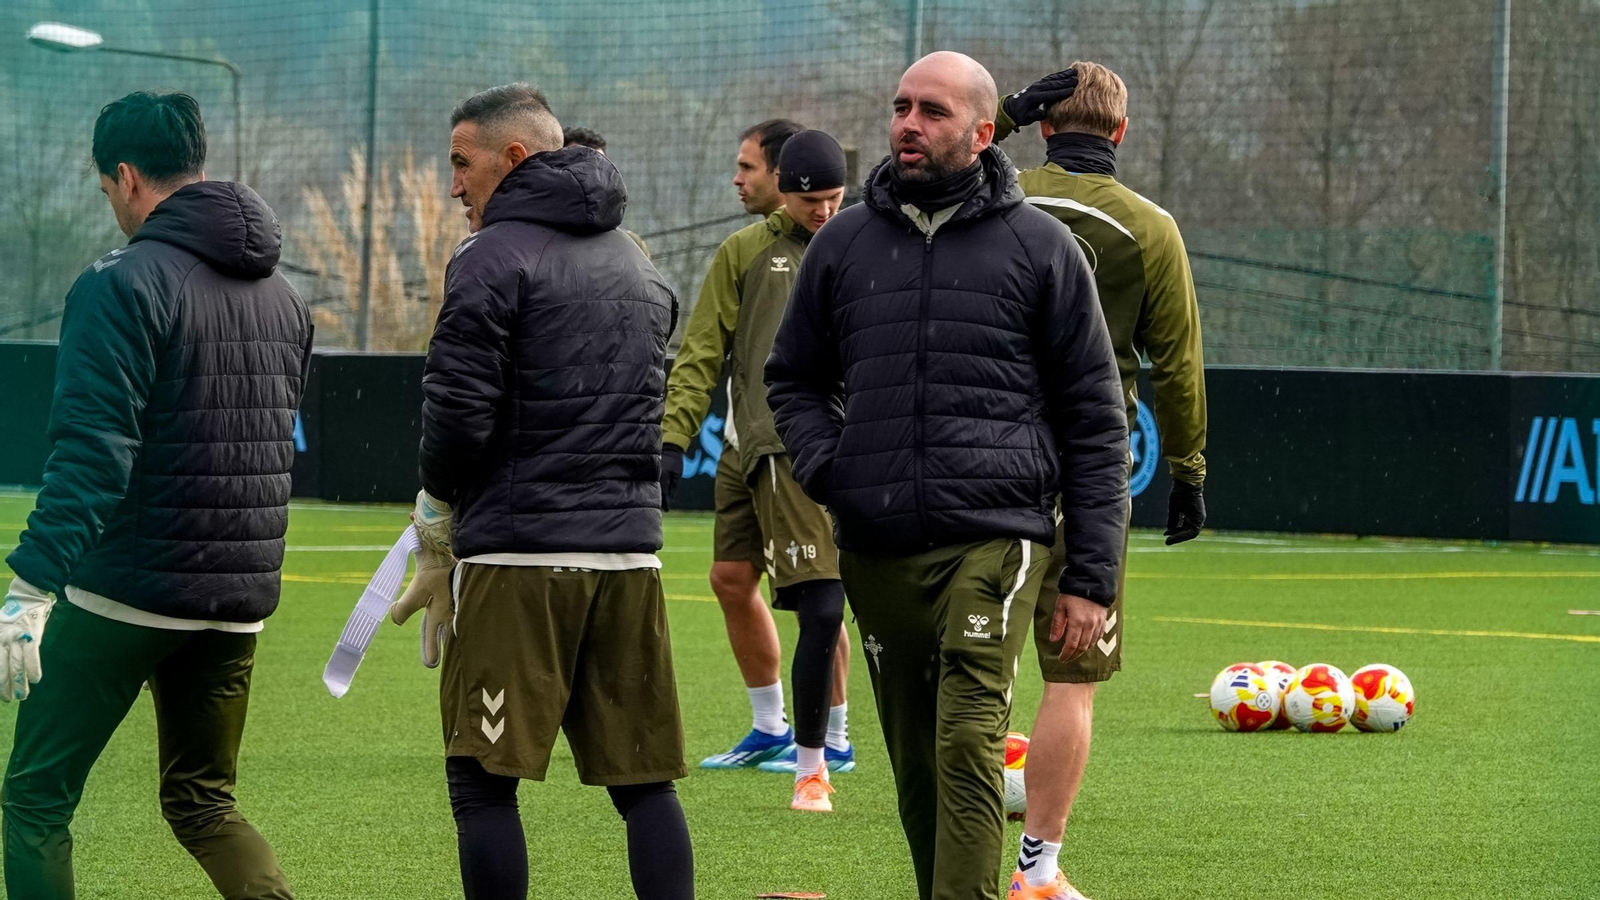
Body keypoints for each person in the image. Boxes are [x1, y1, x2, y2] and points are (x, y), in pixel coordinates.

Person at [766, 52, 1129, 900]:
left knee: (968, 740)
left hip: (997, 538)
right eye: (900, 106)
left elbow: (1095, 418)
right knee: (917, 760)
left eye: (932, 110)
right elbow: (793, 377)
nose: (907, 123)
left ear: (981, 130)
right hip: (877, 539)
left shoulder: (1042, 246)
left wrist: (1093, 575)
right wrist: (833, 469)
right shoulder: (844, 242)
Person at [0, 91, 311, 900]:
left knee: (36, 796)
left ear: (127, 177)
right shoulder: (283, 294)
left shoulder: (120, 283)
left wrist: (31, 587)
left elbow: (94, 453)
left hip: (128, 590)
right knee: (205, 801)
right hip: (238, 599)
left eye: (108, 191)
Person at [408, 83, 690, 900]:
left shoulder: (490, 254)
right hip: (630, 557)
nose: (454, 185)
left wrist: (435, 512)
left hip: (521, 557)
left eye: (462, 163)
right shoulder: (636, 257)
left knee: (481, 783)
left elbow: (458, 408)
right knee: (645, 787)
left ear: (515, 157)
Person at [993, 61, 1207, 900]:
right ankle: (1037, 871)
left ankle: (961, 860)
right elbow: (1180, 367)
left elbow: (919, 183)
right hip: (1088, 472)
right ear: (1120, 133)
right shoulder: (1152, 229)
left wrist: (1001, 116)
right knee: (1071, 677)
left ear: (1044, 125)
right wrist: (1188, 469)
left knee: (976, 673)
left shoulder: (999, 197)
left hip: (987, 460)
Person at [660, 119, 858, 793]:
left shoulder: (857, 249)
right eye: (813, 200)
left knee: (817, 594)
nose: (738, 179)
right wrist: (673, 436)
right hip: (745, 448)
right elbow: (701, 352)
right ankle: (771, 727)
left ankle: (834, 738)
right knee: (728, 578)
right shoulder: (744, 251)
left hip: (803, 450)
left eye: (747, 167)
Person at [562, 125, 652, 258]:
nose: (591, 175)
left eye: (600, 165)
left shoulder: (633, 248)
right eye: (579, 165)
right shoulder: (534, 242)